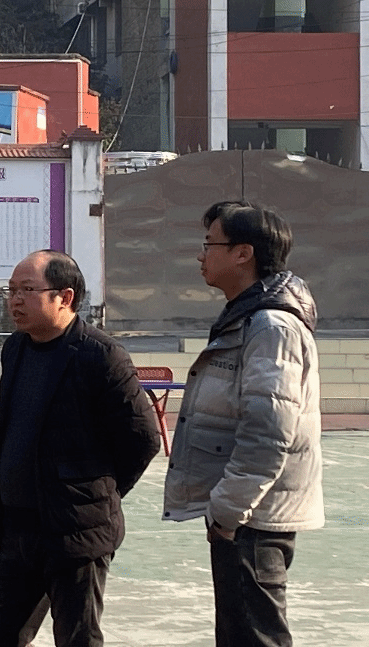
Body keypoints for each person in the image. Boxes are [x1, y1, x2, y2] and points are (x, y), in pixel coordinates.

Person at [0, 250, 161, 647]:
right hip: (18, 531)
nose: (15, 300)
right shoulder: (16, 348)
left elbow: (143, 439)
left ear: (65, 297)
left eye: (27, 290)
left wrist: (98, 492)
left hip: (76, 532)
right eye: (11, 290)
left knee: (78, 640)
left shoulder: (101, 356)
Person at [163, 201, 324, 646]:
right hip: (246, 513)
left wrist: (229, 512)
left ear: (242, 253)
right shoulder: (248, 316)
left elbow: (268, 432)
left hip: (255, 517)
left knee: (255, 636)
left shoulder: (271, 326)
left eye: (209, 244)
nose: (201, 255)